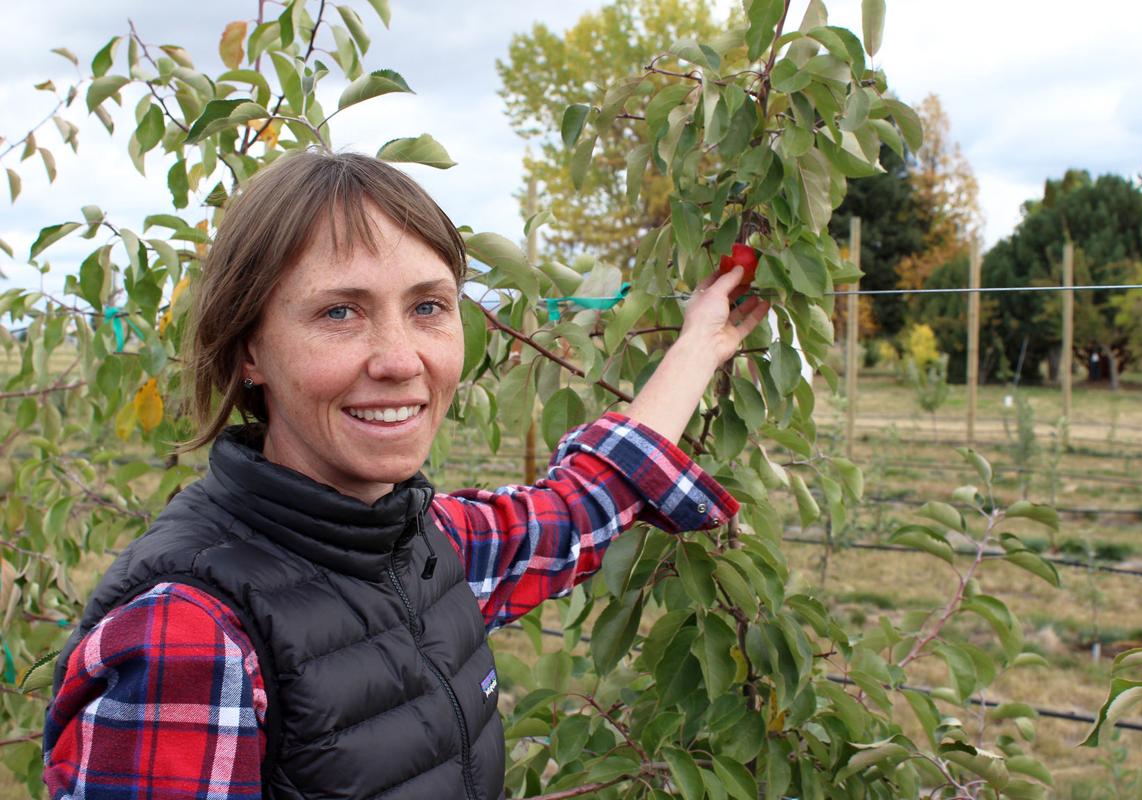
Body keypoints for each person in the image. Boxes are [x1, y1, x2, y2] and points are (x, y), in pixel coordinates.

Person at [42, 150, 770, 799]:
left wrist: (699, 346)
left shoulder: (418, 544)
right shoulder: (190, 634)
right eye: (339, 312)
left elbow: (576, 508)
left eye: (428, 306)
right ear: (250, 350)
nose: (399, 360)